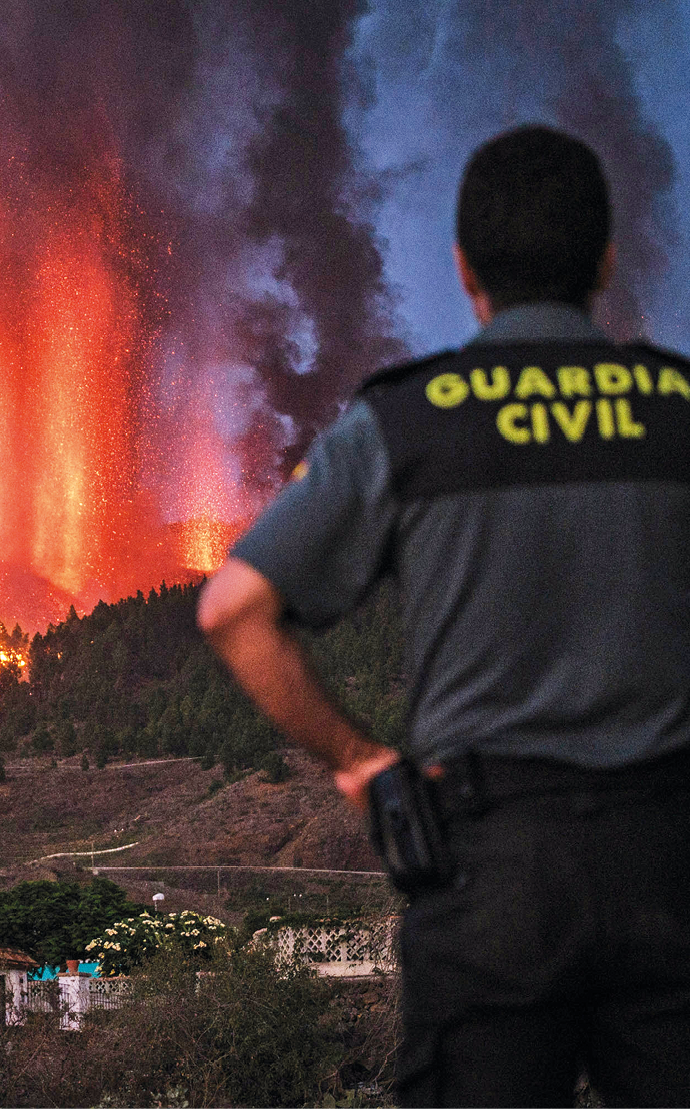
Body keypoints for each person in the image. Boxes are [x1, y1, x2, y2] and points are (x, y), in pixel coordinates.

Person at [198, 125, 690, 1108]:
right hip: (669, 866)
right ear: (602, 259)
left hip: (485, 872)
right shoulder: (676, 410)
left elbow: (232, 607)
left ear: (463, 269)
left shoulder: (409, 421)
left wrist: (359, 762)